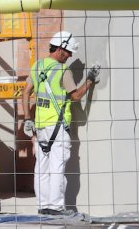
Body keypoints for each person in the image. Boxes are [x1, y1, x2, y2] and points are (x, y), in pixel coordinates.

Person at [21, 31, 100, 216]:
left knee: (41, 168)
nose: (70, 55)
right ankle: (56, 208)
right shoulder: (63, 70)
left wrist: (27, 119)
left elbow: (25, 93)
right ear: (61, 49)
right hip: (57, 127)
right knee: (57, 168)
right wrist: (90, 79)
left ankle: (43, 206)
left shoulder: (38, 66)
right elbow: (76, 96)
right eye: (69, 52)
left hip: (40, 127)